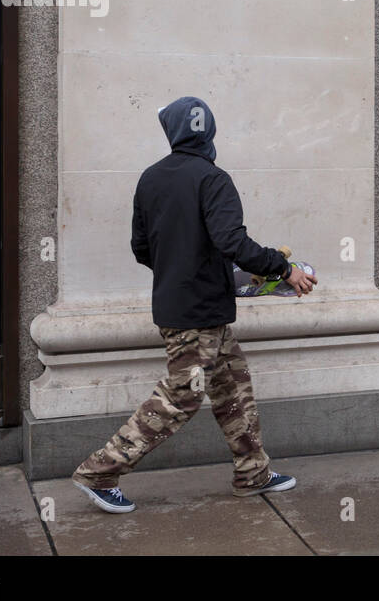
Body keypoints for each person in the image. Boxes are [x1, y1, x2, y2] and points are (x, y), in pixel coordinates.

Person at [71, 95, 317, 513]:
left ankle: (253, 472)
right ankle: (100, 472)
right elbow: (232, 242)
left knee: (232, 387)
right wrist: (283, 268)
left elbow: (141, 247)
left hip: (188, 307)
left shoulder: (150, 179)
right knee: (182, 396)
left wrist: (182, 271)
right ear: (210, 132)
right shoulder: (213, 178)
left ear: (171, 132)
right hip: (198, 314)